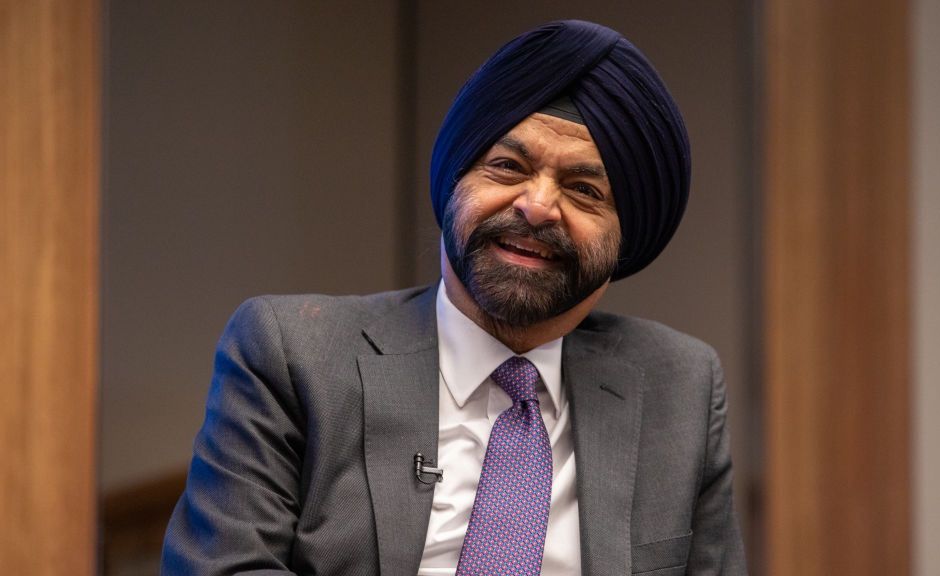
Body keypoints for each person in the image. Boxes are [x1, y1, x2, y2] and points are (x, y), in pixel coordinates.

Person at [162, 19, 746, 576]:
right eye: (506, 166)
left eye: (585, 189)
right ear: (452, 184)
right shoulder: (294, 355)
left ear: (628, 236)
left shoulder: (680, 387)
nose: (537, 205)